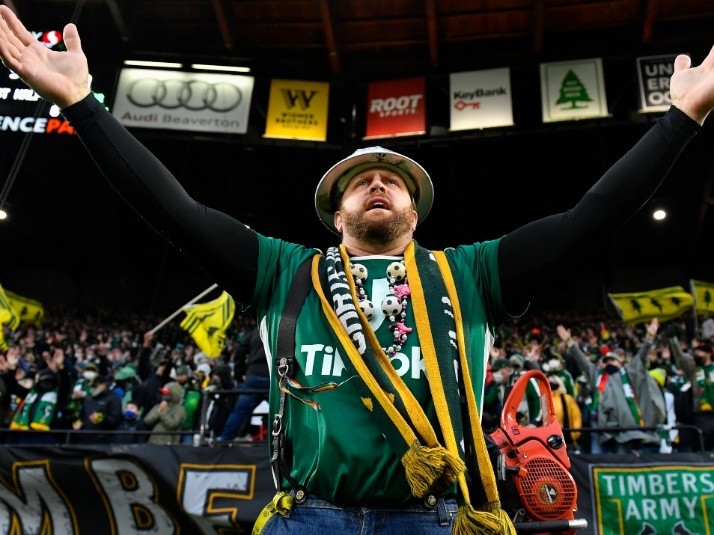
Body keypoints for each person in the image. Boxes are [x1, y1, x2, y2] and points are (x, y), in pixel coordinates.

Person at [0, 8, 713, 532]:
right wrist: (81, 104)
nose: (378, 183)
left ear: (414, 209)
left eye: (393, 179)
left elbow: (590, 216)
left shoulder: (471, 273)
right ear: (335, 213)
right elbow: (174, 210)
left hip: (433, 517)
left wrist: (680, 116)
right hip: (308, 517)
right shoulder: (284, 270)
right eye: (359, 179)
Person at [557, 319, 666, 454]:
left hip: (626, 433)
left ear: (620, 363)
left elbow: (641, 357)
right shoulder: (597, 376)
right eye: (606, 361)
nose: (609, 363)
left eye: (613, 360)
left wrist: (649, 338)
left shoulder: (629, 374)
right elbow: (582, 362)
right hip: (601, 432)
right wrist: (570, 342)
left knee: (622, 465)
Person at [216, 326, 270, 443]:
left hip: (253, 376)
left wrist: (240, 374)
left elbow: (239, 352)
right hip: (272, 377)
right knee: (282, 411)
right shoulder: (280, 326)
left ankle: (224, 439)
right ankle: (293, 442)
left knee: (239, 412)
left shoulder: (254, 332)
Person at [71, 374, 123, 444]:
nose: (93, 388)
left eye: (95, 386)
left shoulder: (114, 399)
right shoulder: (88, 399)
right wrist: (79, 422)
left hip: (102, 440)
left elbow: (116, 419)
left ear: (103, 385)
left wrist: (103, 418)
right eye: (91, 386)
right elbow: (82, 415)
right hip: (84, 438)